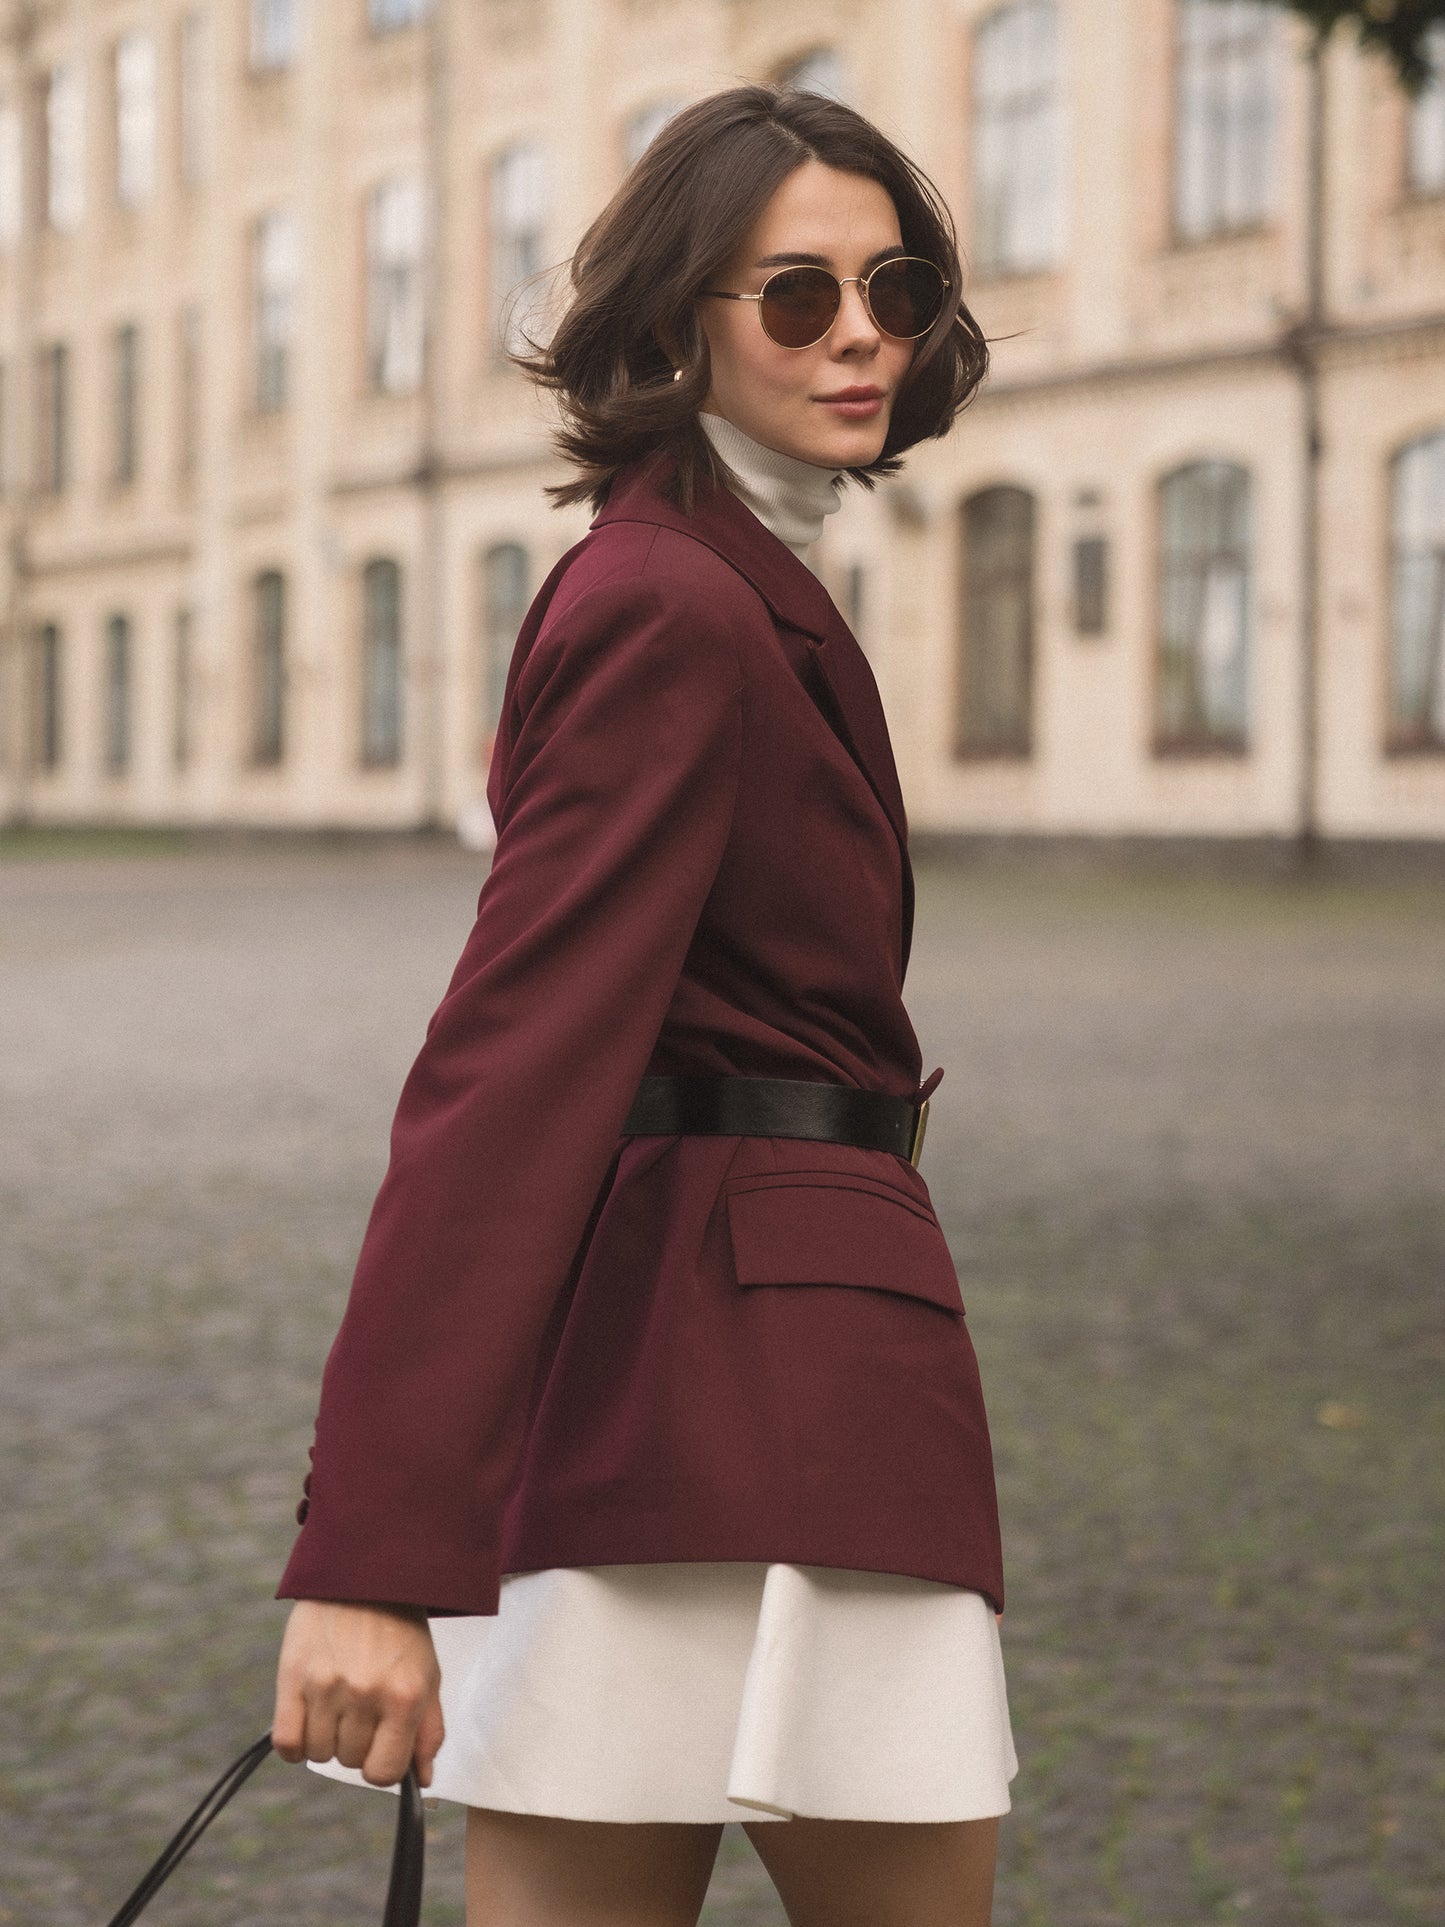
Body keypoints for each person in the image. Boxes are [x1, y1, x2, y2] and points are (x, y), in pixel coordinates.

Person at [271, 84, 1013, 1927]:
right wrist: (369, 1557)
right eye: (793, 294)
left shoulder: (710, 574)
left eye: (893, 287)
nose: (857, 331)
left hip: (708, 1379)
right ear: (681, 320)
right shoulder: (674, 605)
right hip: (767, 1392)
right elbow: (510, 1071)